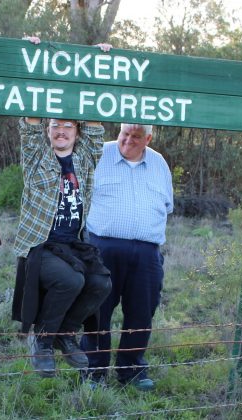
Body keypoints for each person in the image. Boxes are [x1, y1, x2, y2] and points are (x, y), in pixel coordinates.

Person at [10, 56, 112, 375]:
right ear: (48, 129)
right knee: (71, 280)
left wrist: (103, 60)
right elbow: (29, 123)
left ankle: (66, 333)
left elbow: (97, 125)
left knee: (100, 283)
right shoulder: (37, 155)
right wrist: (37, 61)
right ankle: (42, 340)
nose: (62, 131)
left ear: (77, 131)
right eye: (56, 125)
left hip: (73, 244)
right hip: (41, 246)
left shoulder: (85, 159)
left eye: (68, 125)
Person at [80, 123, 173, 391]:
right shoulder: (99, 153)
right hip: (102, 248)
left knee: (141, 313)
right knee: (97, 312)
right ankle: (94, 372)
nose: (128, 141)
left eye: (136, 136)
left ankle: (132, 370)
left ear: (149, 138)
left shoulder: (159, 164)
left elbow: (166, 205)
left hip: (146, 253)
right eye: (125, 134)